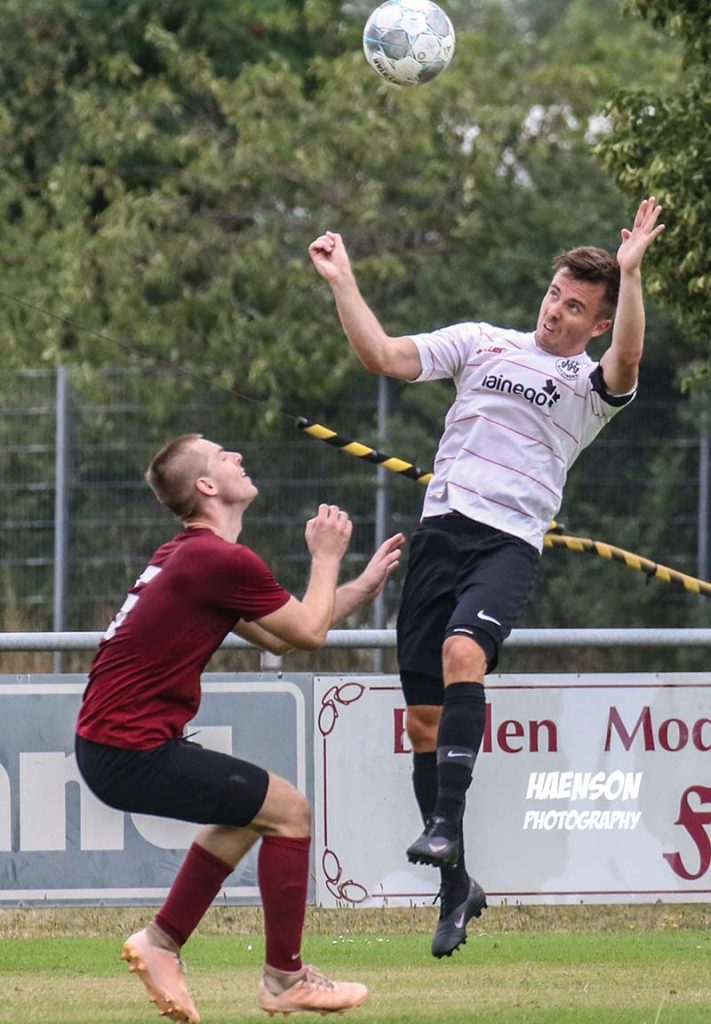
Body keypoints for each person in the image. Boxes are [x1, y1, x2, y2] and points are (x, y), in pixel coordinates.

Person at [309, 197, 665, 958]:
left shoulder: (588, 385)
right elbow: (384, 356)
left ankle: (442, 824)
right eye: (554, 296)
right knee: (421, 724)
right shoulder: (482, 343)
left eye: (575, 309)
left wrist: (631, 274)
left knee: (463, 652)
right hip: (439, 536)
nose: (556, 313)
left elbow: (629, 361)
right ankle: (455, 887)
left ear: (597, 323)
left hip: (505, 544)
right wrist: (342, 281)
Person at [75, 433, 405, 1023]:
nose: (238, 458)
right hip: (128, 747)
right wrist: (326, 557)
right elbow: (308, 632)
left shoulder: (196, 557)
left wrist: (358, 588)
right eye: (223, 456)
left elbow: (284, 636)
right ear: (206, 486)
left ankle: (162, 942)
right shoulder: (217, 560)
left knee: (252, 814)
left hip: (113, 746)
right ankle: (283, 980)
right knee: (290, 811)